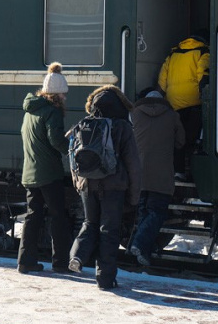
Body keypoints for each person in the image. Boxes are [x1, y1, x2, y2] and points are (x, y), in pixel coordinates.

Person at [68, 85, 141, 290]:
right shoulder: (122, 126)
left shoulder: (85, 123)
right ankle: (105, 279)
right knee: (109, 230)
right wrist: (134, 196)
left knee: (89, 223)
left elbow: (73, 157)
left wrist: (78, 183)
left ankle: (77, 257)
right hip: (113, 187)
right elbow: (133, 164)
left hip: (87, 185)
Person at [17, 62, 73, 274]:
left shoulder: (30, 110)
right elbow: (55, 140)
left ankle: (25, 261)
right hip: (49, 173)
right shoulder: (53, 112)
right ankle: (60, 263)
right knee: (59, 216)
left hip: (30, 172)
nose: (65, 98)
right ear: (56, 94)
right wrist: (72, 149)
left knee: (33, 216)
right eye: (63, 95)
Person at [128, 89, 184, 266]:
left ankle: (144, 252)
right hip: (161, 175)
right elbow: (181, 142)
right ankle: (138, 243)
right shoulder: (172, 115)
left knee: (144, 212)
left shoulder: (134, 114)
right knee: (158, 212)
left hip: (139, 173)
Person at [157, 29, 210, 181]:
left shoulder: (173, 55)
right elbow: (203, 76)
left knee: (178, 139)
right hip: (195, 103)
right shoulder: (203, 52)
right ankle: (194, 173)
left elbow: (162, 81)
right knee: (194, 140)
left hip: (174, 105)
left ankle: (178, 171)